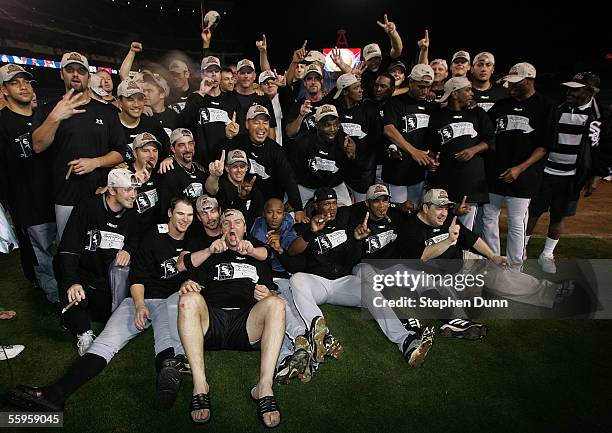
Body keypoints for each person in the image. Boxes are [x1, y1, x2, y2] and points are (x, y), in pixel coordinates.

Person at [5, 198, 196, 412]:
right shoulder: (152, 236)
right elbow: (137, 278)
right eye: (180, 214)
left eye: (189, 215)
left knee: (165, 337)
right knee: (105, 343)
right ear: (170, 213)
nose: (185, 219)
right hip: (139, 298)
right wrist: (140, 305)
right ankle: (55, 394)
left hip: (169, 302)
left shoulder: (194, 242)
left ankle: (168, 373)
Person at [177, 209, 285, 427]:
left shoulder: (257, 256)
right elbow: (188, 278)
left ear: (245, 229)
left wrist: (267, 294)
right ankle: (200, 386)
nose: (232, 227)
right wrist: (186, 285)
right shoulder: (211, 253)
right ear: (221, 230)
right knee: (188, 300)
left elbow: (272, 291)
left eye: (237, 222)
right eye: (227, 223)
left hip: (246, 323)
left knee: (276, 304)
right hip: (212, 321)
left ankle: (264, 387)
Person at [31, 52, 125, 242]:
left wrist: (95, 162)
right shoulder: (47, 110)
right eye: (70, 70)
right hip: (66, 196)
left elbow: (120, 152)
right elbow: (38, 146)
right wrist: (55, 117)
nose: (76, 75)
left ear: (88, 77)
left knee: (101, 250)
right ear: (61, 74)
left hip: (102, 194)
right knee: (68, 251)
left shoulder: (108, 112)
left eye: (81, 71)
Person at [527, 72, 612, 273]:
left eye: (576, 89)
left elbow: (604, 148)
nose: (569, 92)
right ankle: (520, 250)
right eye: (569, 88)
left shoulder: (602, 116)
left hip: (572, 176)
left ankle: (547, 254)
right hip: (546, 172)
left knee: (559, 216)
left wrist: (596, 175)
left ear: (590, 92)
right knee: (532, 212)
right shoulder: (556, 109)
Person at [55, 168, 139, 355]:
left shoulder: (132, 212)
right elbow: (68, 248)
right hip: (82, 272)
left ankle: (72, 316)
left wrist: (128, 250)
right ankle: (84, 333)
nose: (133, 194)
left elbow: (135, 236)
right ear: (111, 190)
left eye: (135, 189)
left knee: (108, 314)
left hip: (105, 277)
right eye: (127, 189)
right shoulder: (88, 206)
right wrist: (72, 281)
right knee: (73, 292)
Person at [482, 63, 557, 270]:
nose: (511, 87)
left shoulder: (545, 105)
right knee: (489, 217)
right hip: (495, 172)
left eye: (517, 83)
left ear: (530, 80)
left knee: (516, 221)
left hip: (524, 175)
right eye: (510, 82)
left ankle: (515, 268)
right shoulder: (501, 105)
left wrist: (519, 168)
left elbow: (545, 146)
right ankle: (494, 263)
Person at [0, 64, 58, 305]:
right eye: (15, 82)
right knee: (41, 257)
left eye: (26, 81)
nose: (23, 87)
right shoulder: (2, 122)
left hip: (56, 197)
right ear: (4, 89)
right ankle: (57, 300)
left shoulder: (42, 115)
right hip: (28, 202)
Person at [286, 187, 362, 364]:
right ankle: (324, 336)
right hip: (318, 283)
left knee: (370, 289)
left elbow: (351, 257)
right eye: (326, 204)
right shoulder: (306, 226)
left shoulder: (344, 224)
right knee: (296, 279)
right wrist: (310, 232)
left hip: (342, 282)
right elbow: (292, 251)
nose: (331, 207)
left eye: (334, 203)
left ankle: (405, 336)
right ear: (317, 205)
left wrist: (357, 240)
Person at [249, 198, 313, 383]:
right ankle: (298, 344)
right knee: (279, 310)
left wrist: (279, 249)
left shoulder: (288, 226)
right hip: (261, 280)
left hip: (282, 276)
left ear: (284, 214)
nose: (275, 216)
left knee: (293, 306)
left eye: (279, 212)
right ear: (263, 213)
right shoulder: (255, 227)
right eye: (270, 212)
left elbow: (294, 257)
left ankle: (308, 346)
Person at [428, 77, 495, 230]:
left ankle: (463, 253)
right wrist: (431, 162)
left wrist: (473, 150)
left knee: (466, 227)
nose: (472, 93)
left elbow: (490, 140)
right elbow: (432, 147)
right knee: (442, 223)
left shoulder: (477, 113)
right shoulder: (438, 116)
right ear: (455, 94)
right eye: (468, 90)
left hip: (470, 179)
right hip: (445, 178)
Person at [229, 104, 304, 220]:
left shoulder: (276, 150)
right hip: (241, 198)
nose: (261, 127)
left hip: (268, 207)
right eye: (256, 122)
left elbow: (289, 178)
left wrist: (298, 208)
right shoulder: (237, 143)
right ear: (247, 124)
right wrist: (227, 137)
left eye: (265, 123)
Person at [382, 64, 437, 204]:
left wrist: (432, 157)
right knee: (398, 213)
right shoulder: (395, 102)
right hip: (397, 170)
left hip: (418, 171)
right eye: (420, 86)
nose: (424, 91)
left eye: (428, 87)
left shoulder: (431, 106)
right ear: (411, 82)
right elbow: (388, 129)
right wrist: (413, 151)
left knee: (415, 212)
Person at [290, 105, 357, 207]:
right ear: (317, 125)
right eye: (327, 125)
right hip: (307, 185)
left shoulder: (344, 140)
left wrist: (352, 157)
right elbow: (293, 170)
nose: (332, 129)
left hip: (334, 184)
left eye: (335, 125)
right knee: (292, 210)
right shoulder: (303, 141)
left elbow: (351, 171)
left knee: (348, 208)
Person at [177, 56, 239, 165]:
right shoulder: (195, 97)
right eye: (210, 71)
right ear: (202, 74)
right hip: (200, 163)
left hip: (223, 163)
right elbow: (183, 123)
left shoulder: (231, 100)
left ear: (220, 74)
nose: (214, 74)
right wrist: (202, 93)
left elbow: (240, 134)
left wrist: (231, 135)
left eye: (217, 71)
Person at [333, 73, 382, 201]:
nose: (361, 90)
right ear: (344, 92)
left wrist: (357, 156)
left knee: (361, 209)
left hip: (362, 172)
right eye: (356, 88)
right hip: (339, 171)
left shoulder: (369, 110)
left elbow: (376, 142)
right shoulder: (335, 110)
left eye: (360, 86)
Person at [156, 128, 210, 213]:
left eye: (190, 143)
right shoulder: (167, 173)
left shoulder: (201, 170)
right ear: (173, 149)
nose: (188, 149)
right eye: (181, 145)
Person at [205, 148, 264, 225]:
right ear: (227, 168)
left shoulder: (251, 186)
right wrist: (214, 176)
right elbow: (211, 190)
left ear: (247, 168)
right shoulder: (222, 185)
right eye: (235, 166)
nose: (239, 170)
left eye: (242, 166)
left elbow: (259, 215)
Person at [116, 79, 169, 164]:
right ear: (120, 102)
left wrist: (169, 159)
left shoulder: (152, 124)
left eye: (140, 99)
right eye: (130, 99)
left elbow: (168, 151)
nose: (136, 104)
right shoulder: (110, 125)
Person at [360, 14, 403, 100]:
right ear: (364, 60)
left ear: (381, 57)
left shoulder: (385, 62)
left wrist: (393, 34)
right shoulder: (362, 73)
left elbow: (397, 50)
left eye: (376, 58)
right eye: (370, 59)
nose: (374, 62)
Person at [233, 59, 277, 141]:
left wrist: (270, 151)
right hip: (235, 149)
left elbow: (270, 128)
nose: (246, 76)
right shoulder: (228, 96)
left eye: (249, 73)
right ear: (236, 76)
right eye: (242, 73)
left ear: (254, 76)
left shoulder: (263, 98)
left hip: (257, 148)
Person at [285, 64, 328, 139]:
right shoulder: (298, 105)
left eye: (317, 78)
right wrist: (301, 116)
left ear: (322, 81)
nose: (313, 82)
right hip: (305, 149)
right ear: (304, 82)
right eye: (309, 79)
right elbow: (290, 133)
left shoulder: (330, 102)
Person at [141, 71, 177, 138]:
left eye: (149, 91)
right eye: (143, 91)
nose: (145, 94)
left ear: (162, 94)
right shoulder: (141, 115)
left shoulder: (174, 117)